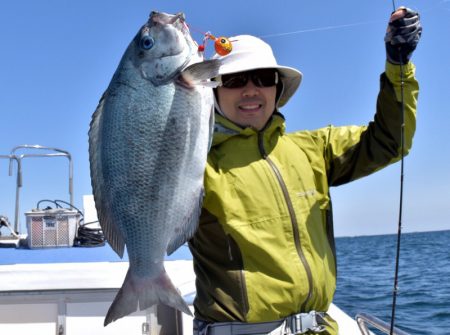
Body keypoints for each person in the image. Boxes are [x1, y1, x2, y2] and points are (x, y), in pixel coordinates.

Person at [188, 7, 422, 335]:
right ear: (214, 90)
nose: (251, 90)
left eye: (263, 78)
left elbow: (390, 140)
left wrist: (399, 66)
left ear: (277, 89)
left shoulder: (314, 149)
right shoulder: (193, 165)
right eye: (235, 80)